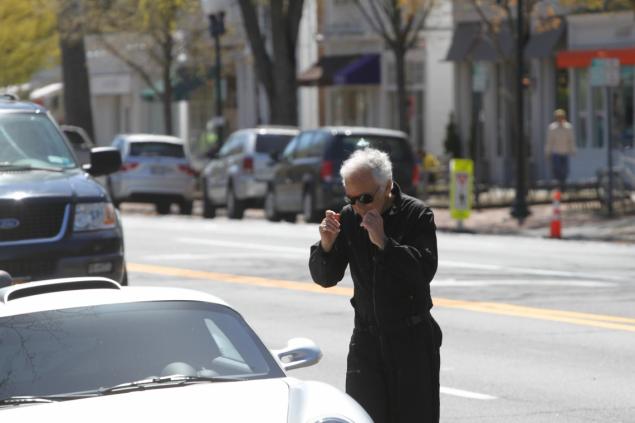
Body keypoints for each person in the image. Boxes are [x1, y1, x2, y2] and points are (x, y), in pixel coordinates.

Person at [309, 148, 442, 423]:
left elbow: (423, 271)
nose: (358, 207)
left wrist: (384, 243)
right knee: (363, 417)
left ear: (388, 187)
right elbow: (325, 277)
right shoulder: (348, 218)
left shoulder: (416, 215)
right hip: (367, 342)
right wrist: (326, 245)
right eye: (351, 199)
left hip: (411, 343)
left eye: (366, 199)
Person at [545, 109, 576, 191]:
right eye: (558, 117)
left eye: (561, 117)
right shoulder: (552, 128)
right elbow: (549, 141)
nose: (560, 118)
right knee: (557, 170)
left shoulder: (568, 127)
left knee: (565, 171)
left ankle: (563, 187)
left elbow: (571, 140)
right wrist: (547, 152)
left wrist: (573, 150)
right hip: (556, 153)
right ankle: (558, 186)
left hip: (565, 152)